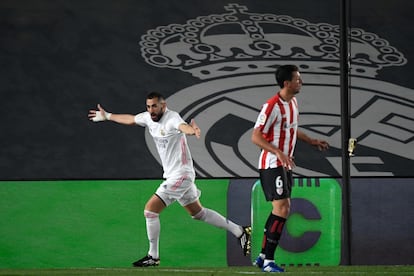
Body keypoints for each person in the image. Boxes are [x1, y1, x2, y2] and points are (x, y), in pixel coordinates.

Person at [88, 92, 251, 267]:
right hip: (176, 175)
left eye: (154, 106)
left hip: (181, 175)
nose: (151, 110)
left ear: (163, 106)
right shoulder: (148, 118)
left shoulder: (172, 118)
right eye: (149, 106)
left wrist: (192, 130)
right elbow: (131, 119)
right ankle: (240, 230)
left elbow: (183, 127)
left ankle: (153, 256)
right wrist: (108, 116)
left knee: (150, 211)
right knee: (198, 213)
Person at [251, 65, 329, 273]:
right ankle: (268, 260)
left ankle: (261, 256)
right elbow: (255, 136)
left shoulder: (293, 102)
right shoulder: (271, 106)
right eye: (297, 79)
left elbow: (292, 129)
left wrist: (311, 140)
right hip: (272, 163)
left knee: (279, 209)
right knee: (283, 208)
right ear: (287, 83)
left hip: (284, 164)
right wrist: (278, 152)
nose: (300, 82)